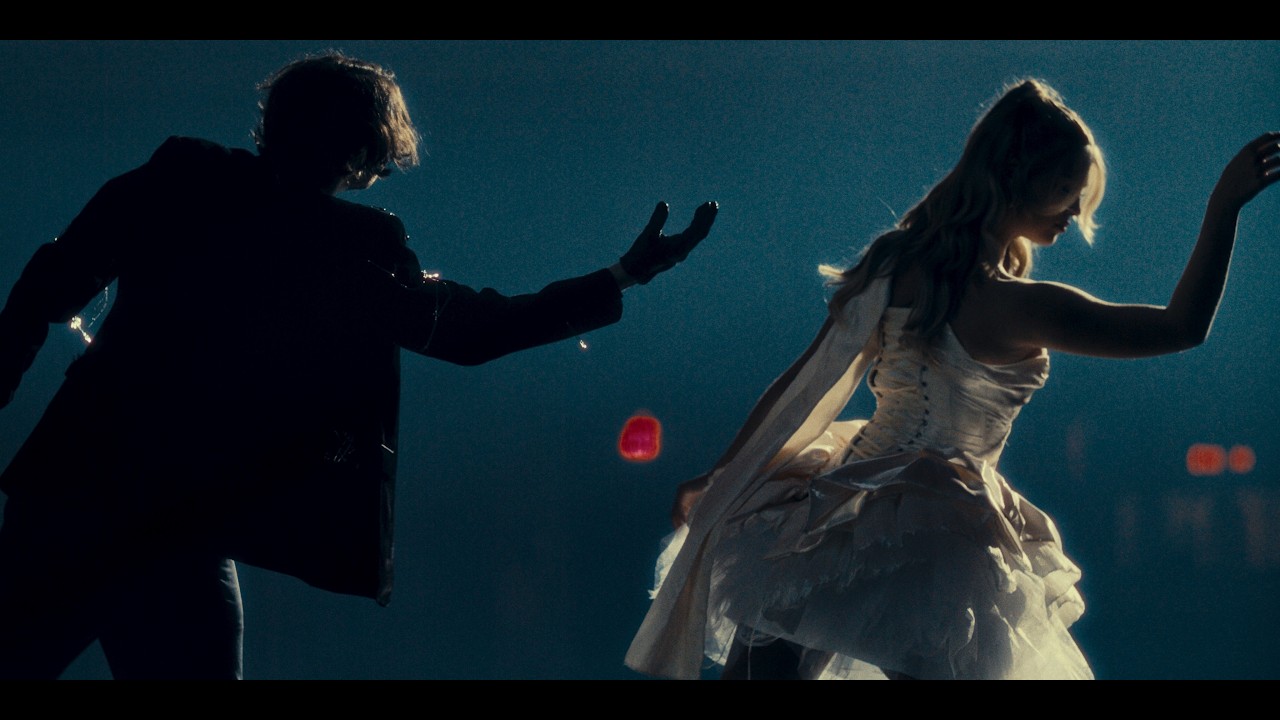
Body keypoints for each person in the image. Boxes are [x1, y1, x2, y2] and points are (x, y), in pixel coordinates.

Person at [0, 52, 717, 679]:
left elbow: (45, 287)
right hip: (180, 528)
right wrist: (621, 277)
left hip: (72, 494)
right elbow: (468, 331)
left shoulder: (180, 175)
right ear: (364, 151)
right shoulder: (353, 243)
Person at [625, 78, 1278, 680]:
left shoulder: (898, 264)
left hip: (838, 504)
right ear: (1017, 179)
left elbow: (802, 386)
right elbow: (1181, 327)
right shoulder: (1020, 307)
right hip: (936, 531)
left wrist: (726, 473)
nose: (1075, 210)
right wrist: (1224, 206)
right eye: (1065, 188)